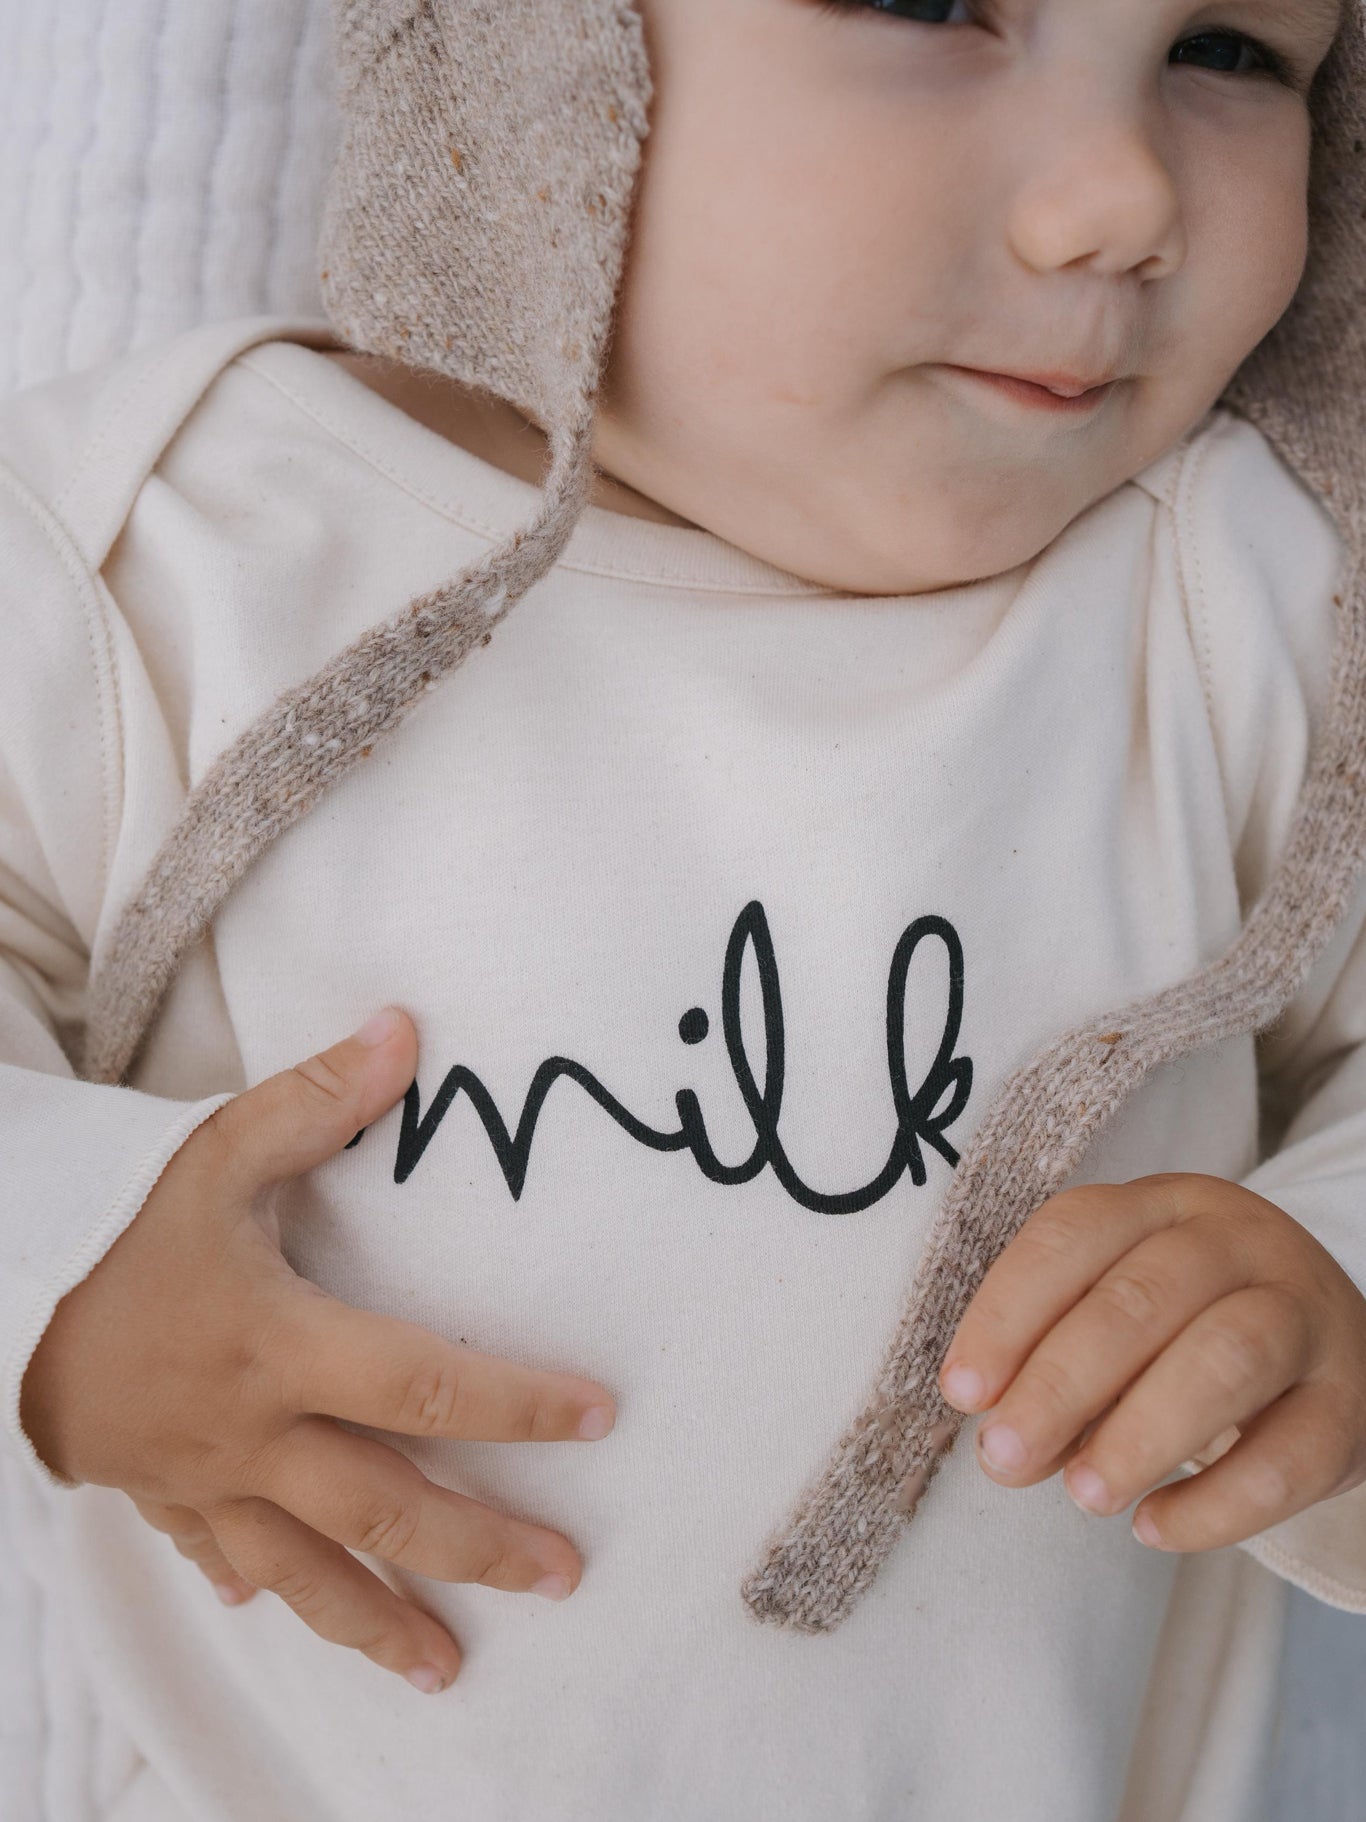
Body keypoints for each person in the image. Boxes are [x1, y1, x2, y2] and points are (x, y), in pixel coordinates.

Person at [1, 0, 1364, 1817]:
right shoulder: (169, 541)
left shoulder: (1244, 605)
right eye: (926, 3)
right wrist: (64, 1286)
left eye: (1229, 52)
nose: (1121, 199)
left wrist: (1327, 1296)